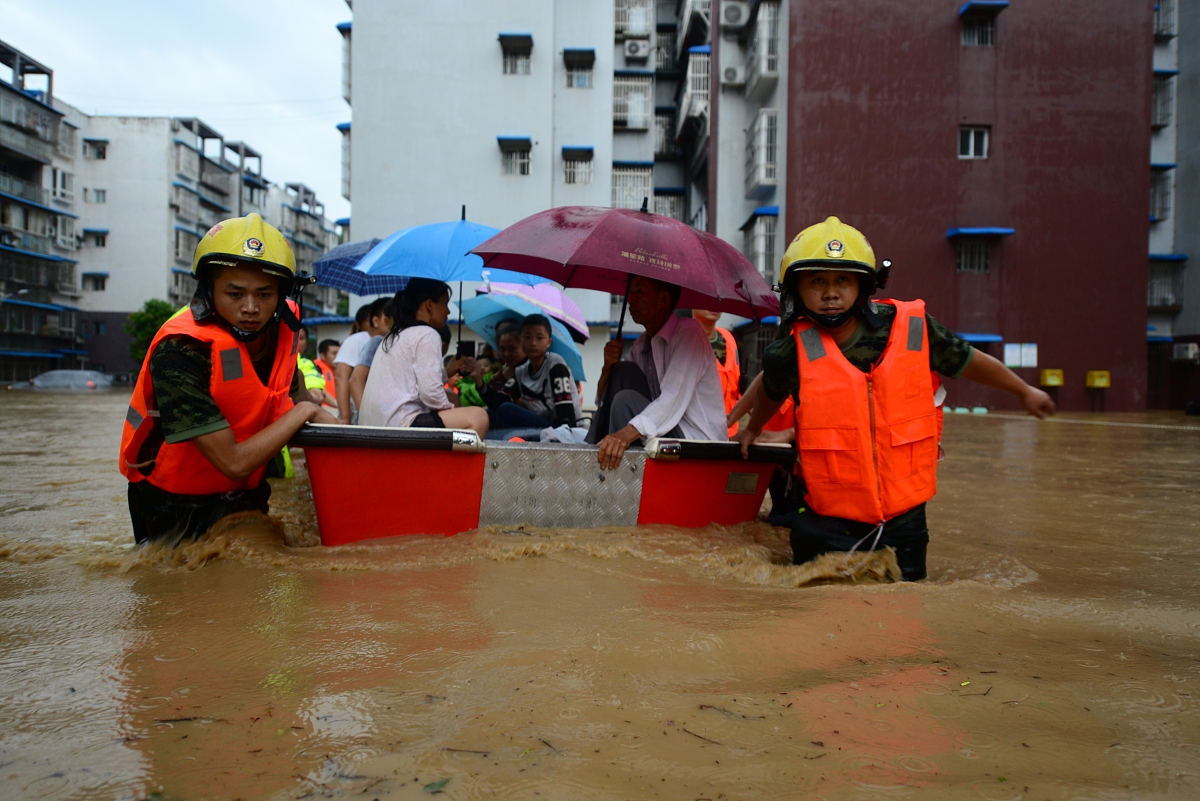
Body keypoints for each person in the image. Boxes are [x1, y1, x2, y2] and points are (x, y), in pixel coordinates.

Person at [736, 216, 1056, 580]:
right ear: (796, 289)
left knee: (906, 608)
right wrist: (753, 429)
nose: (830, 293)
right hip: (827, 520)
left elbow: (968, 360)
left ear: (864, 285)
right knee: (818, 605)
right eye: (817, 281)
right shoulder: (788, 352)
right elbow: (771, 393)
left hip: (905, 521)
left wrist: (1023, 391)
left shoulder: (913, 327)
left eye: (843, 280)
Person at [119, 213, 341, 546]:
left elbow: (293, 397)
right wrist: (306, 411)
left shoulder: (283, 330)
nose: (250, 308)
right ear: (208, 290)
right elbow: (234, 462)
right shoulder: (180, 350)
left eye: (264, 295)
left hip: (245, 495)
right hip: (171, 502)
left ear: (281, 295)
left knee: (265, 562)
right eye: (234, 294)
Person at [587, 276, 727, 469]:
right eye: (631, 292)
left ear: (663, 299)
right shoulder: (641, 345)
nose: (631, 299)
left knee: (624, 402)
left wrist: (624, 435)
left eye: (639, 291)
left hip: (694, 441)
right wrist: (608, 367)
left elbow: (671, 399)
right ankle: (592, 449)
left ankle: (614, 468)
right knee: (621, 371)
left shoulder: (689, 334)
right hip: (662, 432)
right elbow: (605, 397)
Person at [358, 279, 489, 434]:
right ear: (429, 305)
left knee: (452, 400)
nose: (448, 311)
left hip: (374, 428)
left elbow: (416, 384)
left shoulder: (393, 335)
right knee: (478, 417)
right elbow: (431, 394)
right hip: (399, 426)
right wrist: (454, 413)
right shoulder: (427, 334)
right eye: (445, 304)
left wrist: (448, 372)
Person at [333, 298, 392, 424]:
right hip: (359, 416)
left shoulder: (390, 342)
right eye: (388, 315)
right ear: (375, 321)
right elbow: (341, 377)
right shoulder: (357, 340)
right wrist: (345, 419)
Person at [692, 308, 742, 437]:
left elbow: (735, 389)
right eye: (707, 299)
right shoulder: (684, 341)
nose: (714, 305)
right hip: (697, 432)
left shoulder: (728, 337)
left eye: (718, 300)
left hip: (729, 432)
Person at [346, 302, 396, 417]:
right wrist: (366, 418)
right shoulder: (377, 341)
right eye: (388, 316)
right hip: (373, 417)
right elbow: (355, 380)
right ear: (375, 321)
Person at [296, 328, 337, 408]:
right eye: (334, 353)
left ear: (306, 343)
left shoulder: (306, 364)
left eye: (301, 338)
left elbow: (315, 388)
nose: (296, 342)